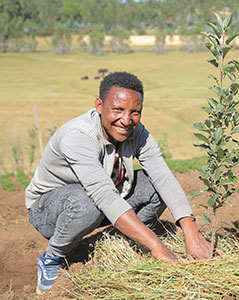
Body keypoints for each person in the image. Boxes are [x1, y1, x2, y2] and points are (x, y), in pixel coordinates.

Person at [25, 71, 213, 294]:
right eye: (118, 110)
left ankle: (122, 242)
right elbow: (102, 195)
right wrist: (158, 247)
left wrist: (191, 232)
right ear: (99, 105)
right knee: (88, 202)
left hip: (105, 198)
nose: (126, 120)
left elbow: (163, 177)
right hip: (51, 210)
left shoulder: (138, 133)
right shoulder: (78, 136)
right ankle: (53, 257)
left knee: (156, 185)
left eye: (135, 112)